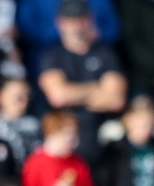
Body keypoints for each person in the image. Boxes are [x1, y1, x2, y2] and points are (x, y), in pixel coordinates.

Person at [37, 0, 127, 165]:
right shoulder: (53, 57)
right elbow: (59, 96)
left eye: (80, 20)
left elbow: (116, 100)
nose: (76, 26)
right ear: (59, 23)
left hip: (102, 143)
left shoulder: (106, 55)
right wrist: (96, 87)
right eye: (70, 21)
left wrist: (74, 93)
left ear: (89, 19)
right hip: (66, 148)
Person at [0, 77, 42, 164]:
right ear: (0, 96)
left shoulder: (35, 125)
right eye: (18, 97)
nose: (24, 101)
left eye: (27, 96)